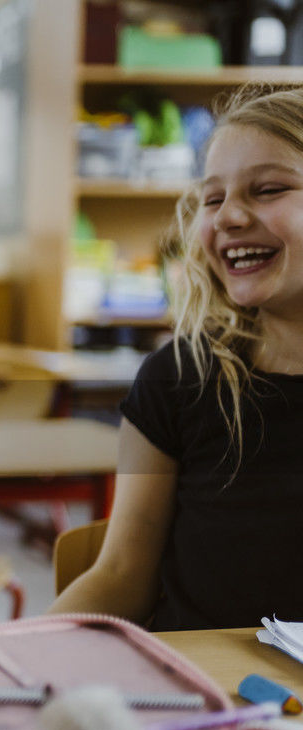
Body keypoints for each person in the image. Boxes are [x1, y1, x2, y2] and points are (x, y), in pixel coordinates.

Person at [50, 84, 303, 629]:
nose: (228, 216)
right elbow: (120, 573)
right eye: (213, 198)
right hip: (194, 699)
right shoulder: (177, 378)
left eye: (268, 189)